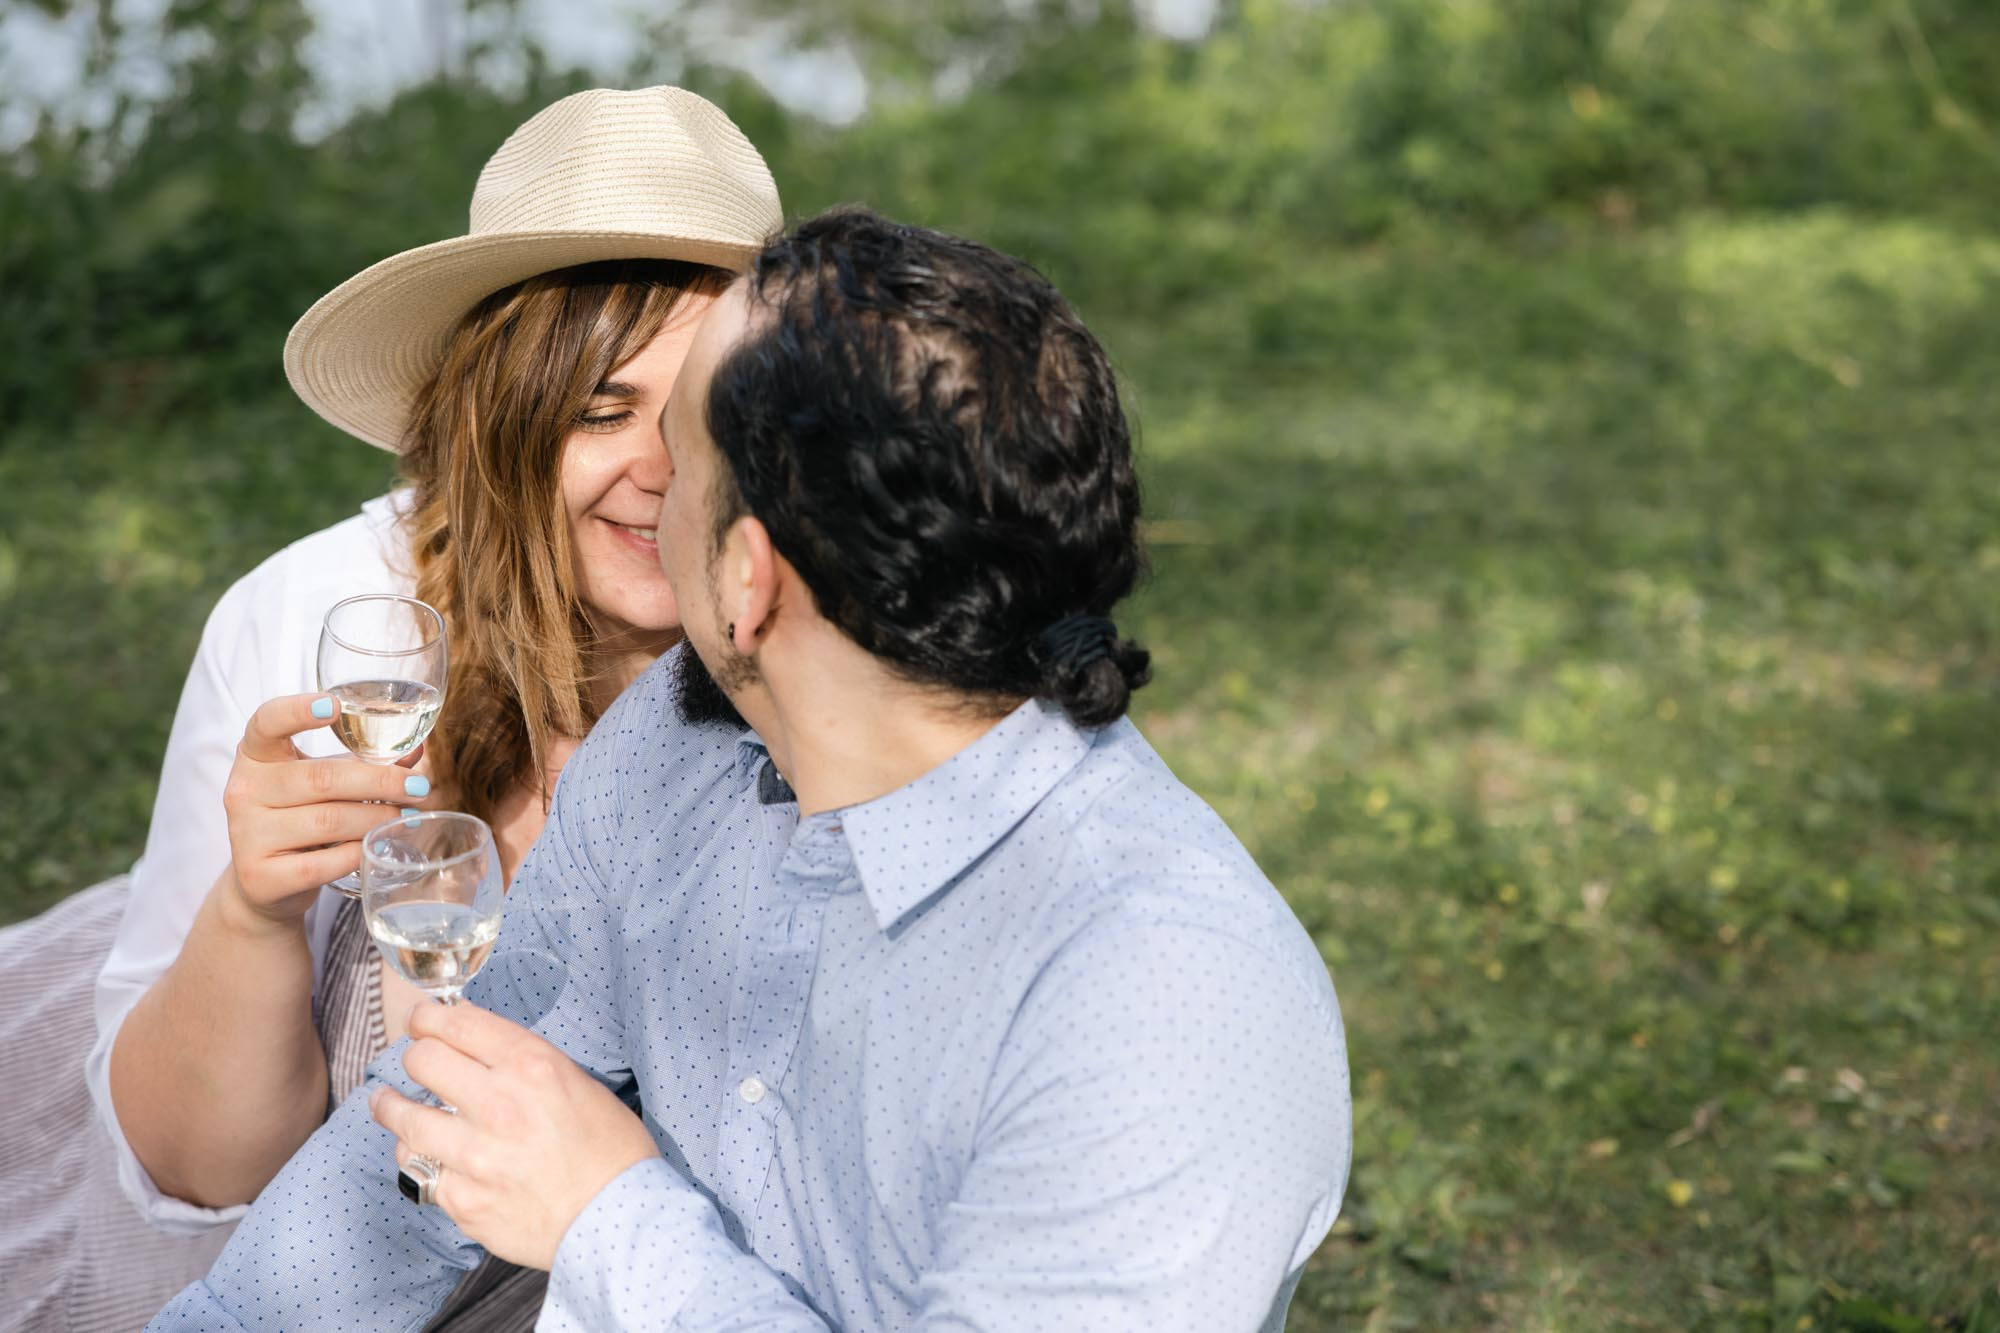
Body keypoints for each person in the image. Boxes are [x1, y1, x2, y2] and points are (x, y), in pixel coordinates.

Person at [150, 207, 1352, 1332]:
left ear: (744, 580)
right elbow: (431, 1120)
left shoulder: (1163, 1000)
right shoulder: (668, 755)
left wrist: (607, 1217)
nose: (647, 493)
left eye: (676, 452)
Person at [0, 85, 780, 1329]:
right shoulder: (323, 618)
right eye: (601, 410)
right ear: (499, 420)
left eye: (705, 416)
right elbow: (202, 1182)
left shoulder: (821, 644)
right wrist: (257, 915)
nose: (662, 471)